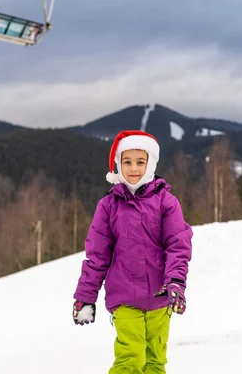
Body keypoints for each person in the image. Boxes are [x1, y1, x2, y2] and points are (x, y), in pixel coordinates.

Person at [72, 129, 193, 374]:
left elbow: (178, 246)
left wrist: (177, 282)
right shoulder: (108, 206)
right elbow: (97, 256)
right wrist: (86, 296)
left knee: (155, 362)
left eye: (140, 162)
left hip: (160, 297)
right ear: (118, 165)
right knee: (131, 358)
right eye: (127, 162)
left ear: (151, 164)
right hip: (124, 298)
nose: (133, 168)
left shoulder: (166, 203)